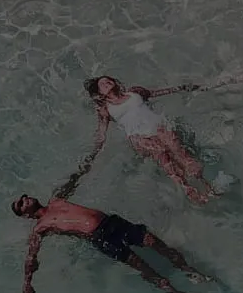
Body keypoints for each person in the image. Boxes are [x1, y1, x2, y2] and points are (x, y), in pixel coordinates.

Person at [12, 193, 208, 293]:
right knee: (143, 267)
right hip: (101, 238)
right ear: (25, 215)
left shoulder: (56, 199)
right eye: (21, 204)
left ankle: (189, 271)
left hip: (114, 223)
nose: (25, 199)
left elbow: (79, 173)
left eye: (23, 197)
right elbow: (31, 257)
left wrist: (97, 146)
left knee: (157, 244)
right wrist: (27, 283)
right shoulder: (40, 227)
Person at [84, 75, 215, 204]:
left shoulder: (134, 92)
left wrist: (180, 88)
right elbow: (101, 134)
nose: (106, 83)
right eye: (102, 84)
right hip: (140, 138)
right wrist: (93, 155)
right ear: (99, 93)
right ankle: (187, 189)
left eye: (108, 80)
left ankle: (205, 184)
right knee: (164, 157)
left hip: (158, 127)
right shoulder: (105, 109)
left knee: (181, 154)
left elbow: (156, 93)